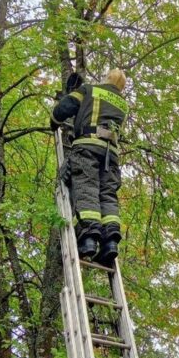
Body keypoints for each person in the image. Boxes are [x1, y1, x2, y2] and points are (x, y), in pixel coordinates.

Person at [51, 68, 128, 265]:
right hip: (110, 156)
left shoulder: (89, 90)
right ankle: (110, 243)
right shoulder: (123, 105)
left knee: (86, 189)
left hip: (87, 147)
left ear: (106, 78)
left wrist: (54, 121)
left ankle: (88, 239)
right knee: (107, 195)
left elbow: (65, 109)